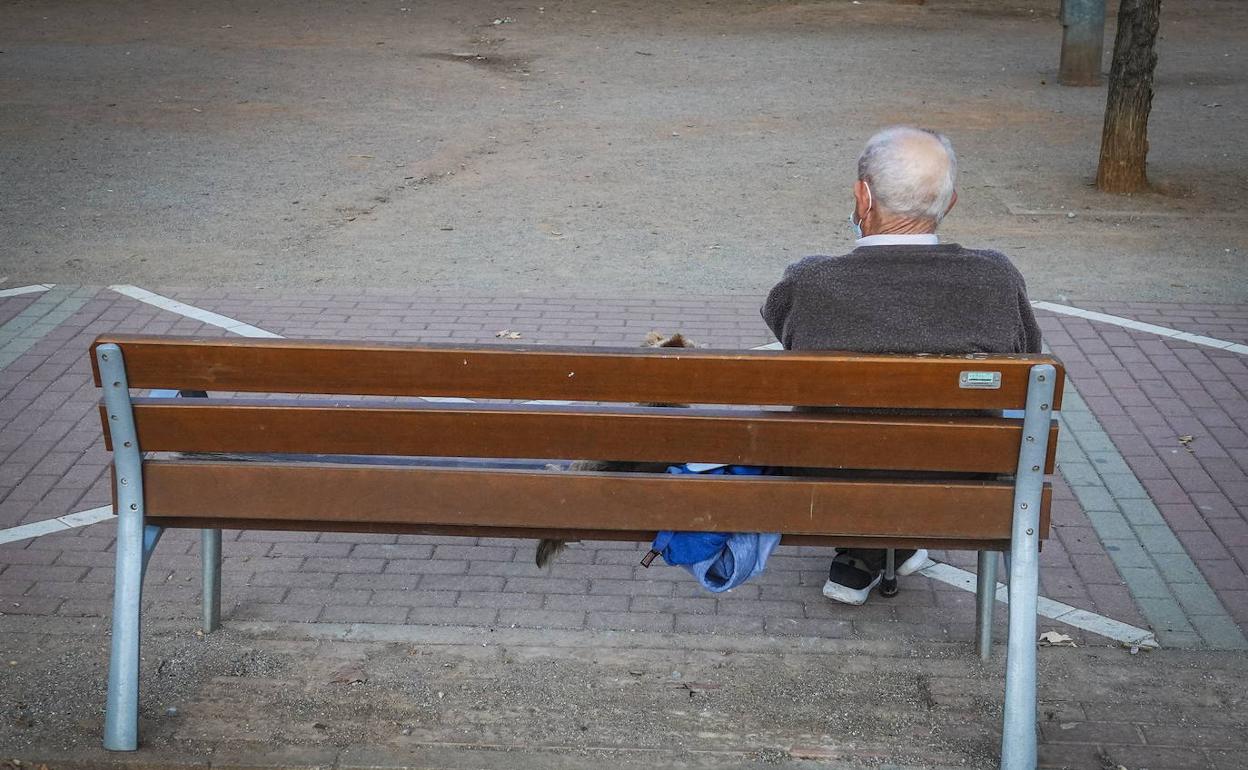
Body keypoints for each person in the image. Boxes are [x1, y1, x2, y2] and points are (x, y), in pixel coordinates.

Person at [761, 126, 1042, 605]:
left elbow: (784, 329)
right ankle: (892, 545)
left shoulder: (810, 281)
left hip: (831, 482)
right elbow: (1028, 349)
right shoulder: (995, 278)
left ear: (862, 197)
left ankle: (867, 548)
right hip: (962, 491)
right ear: (949, 203)